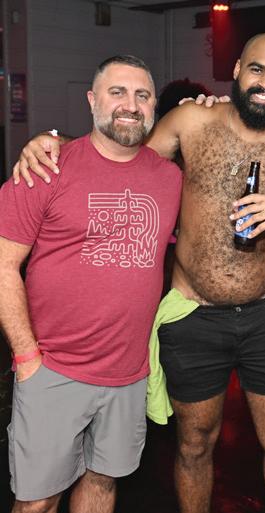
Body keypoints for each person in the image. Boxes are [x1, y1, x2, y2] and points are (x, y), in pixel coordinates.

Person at [11, 33, 265, 513]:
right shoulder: (190, 121)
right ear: (237, 70)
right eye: (257, 69)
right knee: (193, 445)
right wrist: (54, 144)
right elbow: (122, 154)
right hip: (193, 318)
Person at [0, 55, 182, 513]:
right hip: (53, 369)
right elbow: (3, 266)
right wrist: (26, 358)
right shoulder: (45, 168)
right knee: (37, 501)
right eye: (117, 92)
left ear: (154, 106)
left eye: (142, 95)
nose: (130, 105)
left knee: (102, 482)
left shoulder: (169, 178)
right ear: (91, 100)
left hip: (129, 374)